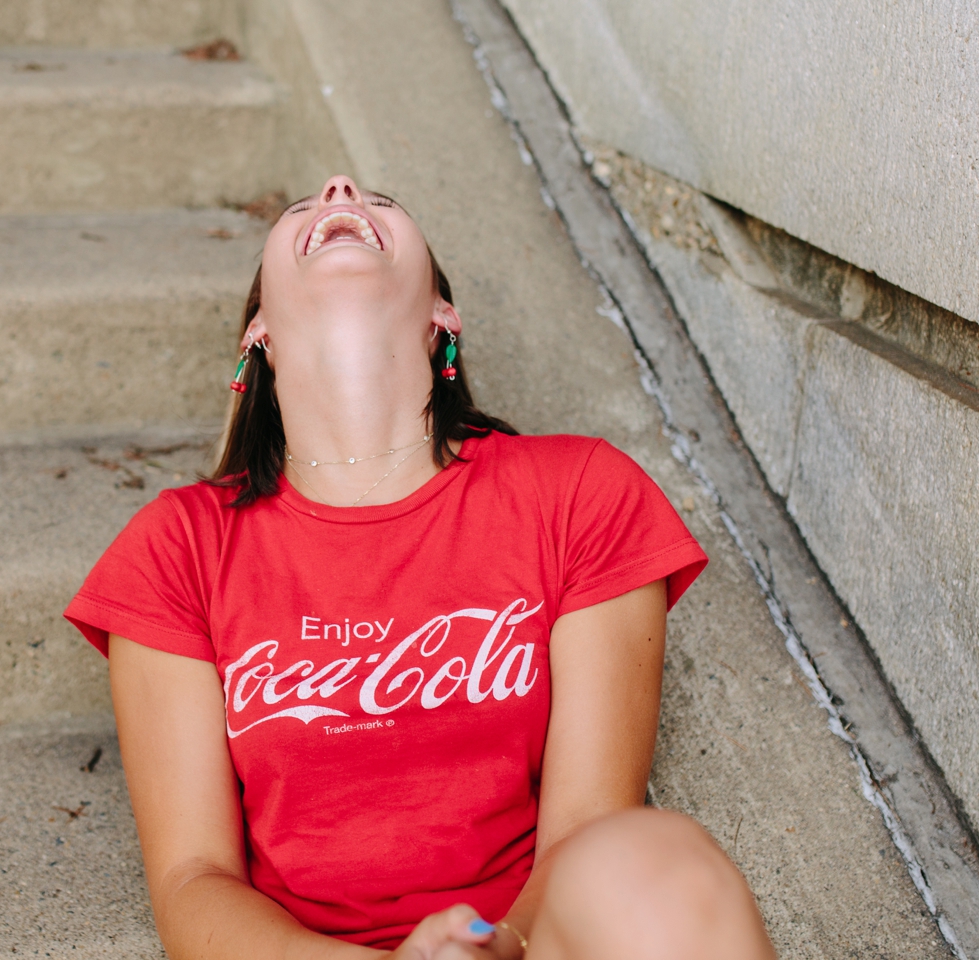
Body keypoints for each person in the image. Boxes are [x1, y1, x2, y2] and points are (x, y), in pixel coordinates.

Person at [65, 175, 777, 960]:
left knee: (660, 858)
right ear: (256, 331)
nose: (338, 188)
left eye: (381, 200)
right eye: (302, 207)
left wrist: (490, 947)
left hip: (526, 947)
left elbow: (585, 831)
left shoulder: (579, 495)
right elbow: (193, 882)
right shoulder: (180, 548)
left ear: (445, 315)